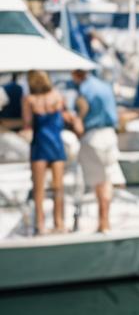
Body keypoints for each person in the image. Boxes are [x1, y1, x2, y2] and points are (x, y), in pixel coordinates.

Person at [21, 70, 79, 234]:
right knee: (58, 187)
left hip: (40, 144)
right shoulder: (58, 96)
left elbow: (27, 124)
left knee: (38, 189)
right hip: (56, 143)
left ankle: (40, 225)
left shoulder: (29, 100)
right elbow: (66, 116)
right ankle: (59, 222)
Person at [71, 69, 125, 232]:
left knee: (99, 182)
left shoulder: (84, 90)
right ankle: (105, 221)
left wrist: (77, 120)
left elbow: (83, 109)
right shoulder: (104, 86)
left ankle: (103, 222)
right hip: (109, 135)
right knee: (107, 179)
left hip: (93, 137)